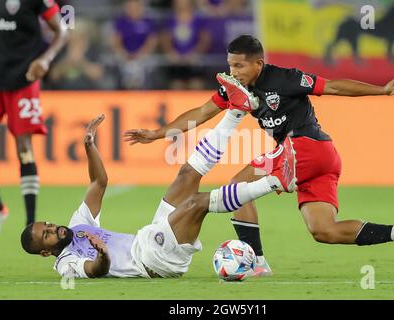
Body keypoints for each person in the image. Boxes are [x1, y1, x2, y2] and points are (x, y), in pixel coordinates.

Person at [126, 34, 394, 277]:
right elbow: (201, 112)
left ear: (259, 63)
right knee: (323, 230)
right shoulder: (235, 88)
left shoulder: (286, 78)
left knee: (237, 188)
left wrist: (382, 90)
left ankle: (256, 261)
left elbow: (334, 86)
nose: (233, 73)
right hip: (322, 159)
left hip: (304, 147)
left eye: (240, 66)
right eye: (230, 65)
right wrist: (158, 133)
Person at [19, 106, 296, 278]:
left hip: (150, 236)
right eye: (47, 234)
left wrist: (89, 147)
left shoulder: (79, 225)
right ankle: (275, 182)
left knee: (187, 174)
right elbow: (94, 271)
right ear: (45, 253)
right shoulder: (65, 263)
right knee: (197, 203)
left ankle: (236, 112)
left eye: (48, 224)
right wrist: (101, 254)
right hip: (154, 261)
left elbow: (98, 183)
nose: (54, 229)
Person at [0, 0, 68, 239]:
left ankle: (29, 225)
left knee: (24, 148)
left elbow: (61, 31)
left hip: (24, 79)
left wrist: (46, 59)